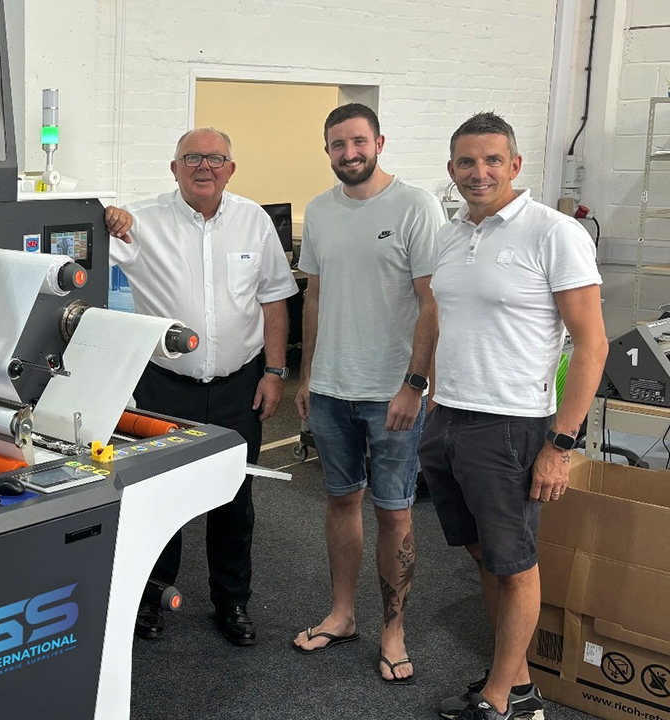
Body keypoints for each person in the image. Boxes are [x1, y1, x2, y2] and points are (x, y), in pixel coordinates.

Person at [421, 112, 607, 720]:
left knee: (517, 564)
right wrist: (418, 387)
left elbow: (592, 344)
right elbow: (440, 319)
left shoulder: (553, 232)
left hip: (512, 425)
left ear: (515, 165)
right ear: (452, 170)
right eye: (467, 162)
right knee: (483, 555)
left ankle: (501, 701)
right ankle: (519, 683)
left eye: (492, 160)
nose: (480, 173)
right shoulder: (451, 235)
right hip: (448, 416)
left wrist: (560, 443)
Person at [104, 128, 298, 646]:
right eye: (192, 158)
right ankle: (149, 599)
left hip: (240, 386)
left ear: (231, 168)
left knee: (235, 500)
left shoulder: (254, 221)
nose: (204, 166)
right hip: (165, 387)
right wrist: (108, 220)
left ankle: (231, 603)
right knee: (157, 497)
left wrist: (276, 373)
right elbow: (85, 251)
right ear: (174, 169)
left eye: (216, 158)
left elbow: (275, 300)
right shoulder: (140, 222)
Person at [290, 104, 443, 687]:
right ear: (326, 149)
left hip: (393, 394)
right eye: (337, 145)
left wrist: (414, 384)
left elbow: (432, 303)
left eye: (358, 142)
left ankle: (393, 631)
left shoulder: (414, 206)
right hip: (330, 389)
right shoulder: (320, 211)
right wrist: (308, 378)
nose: (348, 153)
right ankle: (343, 615)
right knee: (340, 501)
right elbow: (314, 299)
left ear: (379, 141)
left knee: (395, 511)